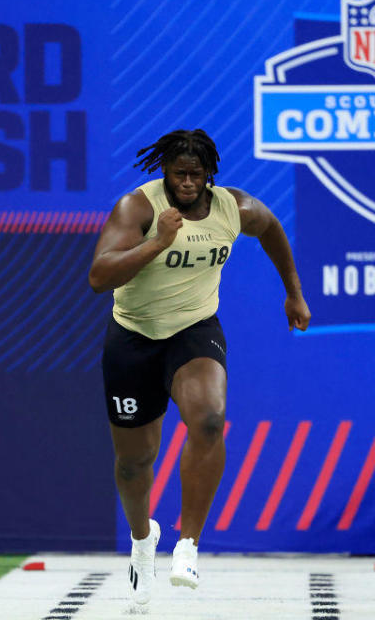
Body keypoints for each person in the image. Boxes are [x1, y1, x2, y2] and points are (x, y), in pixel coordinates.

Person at [87, 129, 310, 604]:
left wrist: (293, 292)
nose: (186, 182)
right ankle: (142, 539)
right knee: (134, 462)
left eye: (195, 174)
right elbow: (99, 276)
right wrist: (158, 241)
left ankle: (187, 543)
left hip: (194, 329)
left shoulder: (235, 208)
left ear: (210, 173)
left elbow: (271, 230)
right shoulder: (139, 207)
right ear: (164, 172)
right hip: (133, 337)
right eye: (177, 174)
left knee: (208, 420)